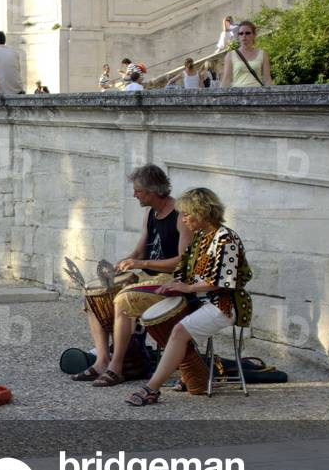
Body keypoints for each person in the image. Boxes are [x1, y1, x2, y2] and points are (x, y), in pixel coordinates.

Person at [125, 188, 252, 406]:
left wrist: (187, 288)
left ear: (201, 213)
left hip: (223, 305)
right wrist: (172, 285)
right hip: (199, 301)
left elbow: (221, 282)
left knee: (178, 330)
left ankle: (151, 389)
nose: (182, 219)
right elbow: (184, 269)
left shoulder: (226, 239)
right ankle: (191, 372)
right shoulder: (201, 237)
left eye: (186, 214)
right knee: (161, 317)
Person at [73, 164, 192, 387]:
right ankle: (102, 361)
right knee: (93, 296)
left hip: (170, 281)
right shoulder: (150, 213)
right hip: (147, 278)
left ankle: (116, 368)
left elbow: (183, 262)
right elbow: (140, 251)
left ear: (153, 191)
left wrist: (141, 263)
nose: (134, 194)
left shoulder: (180, 215)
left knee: (123, 300)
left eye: (138, 190)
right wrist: (125, 263)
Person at [222, 21, 272, 88]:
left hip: (257, 94)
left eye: (247, 33)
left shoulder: (263, 54)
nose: (244, 36)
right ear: (238, 36)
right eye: (241, 33)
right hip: (237, 95)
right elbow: (226, 79)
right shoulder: (230, 55)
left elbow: (267, 79)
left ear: (254, 35)